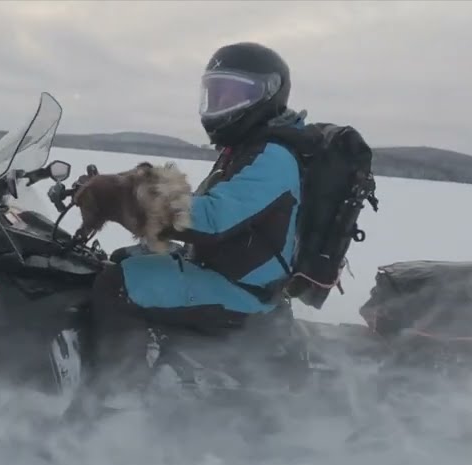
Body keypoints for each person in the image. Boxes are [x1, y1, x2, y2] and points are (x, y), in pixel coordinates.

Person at [81, 41, 308, 401]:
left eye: (234, 94)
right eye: (216, 93)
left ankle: (113, 401)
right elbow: (206, 205)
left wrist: (128, 196)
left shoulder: (274, 156)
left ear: (268, 94)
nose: (220, 105)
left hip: (242, 289)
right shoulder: (247, 149)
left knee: (117, 282)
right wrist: (133, 186)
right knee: (126, 259)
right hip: (223, 270)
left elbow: (213, 218)